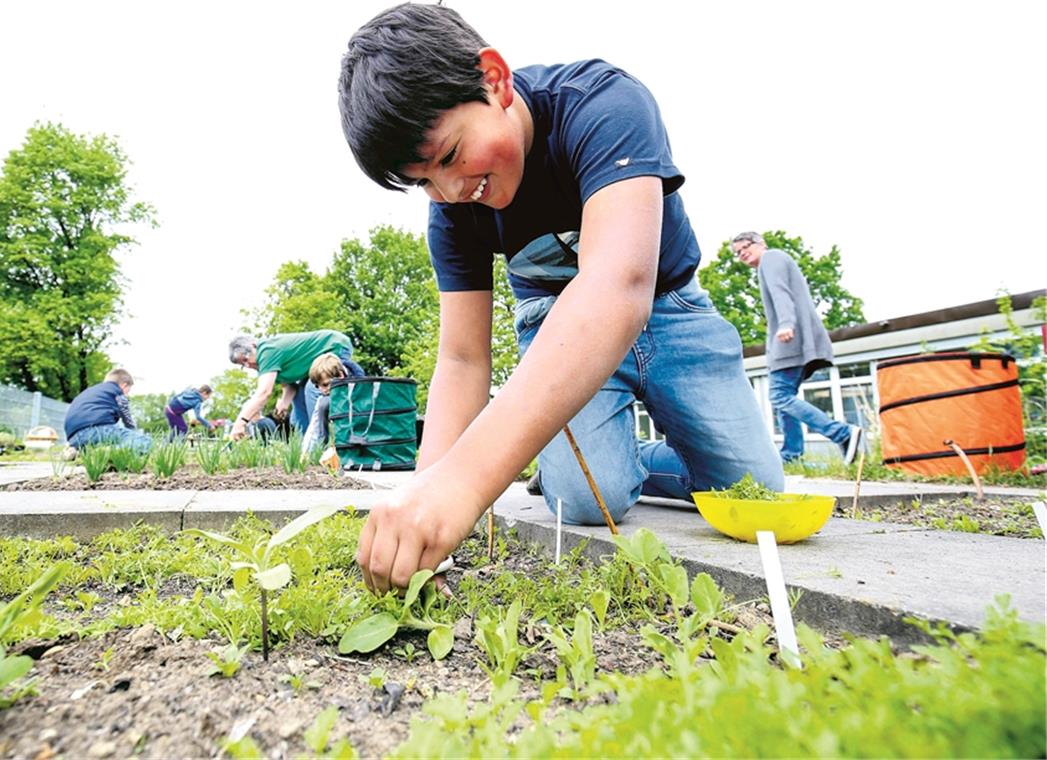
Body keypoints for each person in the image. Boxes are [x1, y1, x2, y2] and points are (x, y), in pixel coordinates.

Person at [338, 3, 783, 593]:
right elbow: (463, 359)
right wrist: (428, 490)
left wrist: (466, 484)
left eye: (448, 156)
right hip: (555, 329)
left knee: (754, 491)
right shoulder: (452, 215)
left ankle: (631, 454)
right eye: (423, 181)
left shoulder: (602, 104)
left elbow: (617, 289)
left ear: (493, 80)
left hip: (671, 308)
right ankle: (610, 462)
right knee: (584, 500)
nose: (449, 190)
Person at [731, 232, 863, 464]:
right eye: (737, 252)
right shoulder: (772, 262)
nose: (742, 253)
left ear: (761, 244)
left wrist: (786, 324)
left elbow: (782, 293)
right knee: (784, 398)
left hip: (791, 340)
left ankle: (842, 433)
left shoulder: (771, 258)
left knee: (780, 396)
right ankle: (792, 454)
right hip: (791, 341)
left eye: (745, 247)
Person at [227, 330, 364, 441]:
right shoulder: (264, 364)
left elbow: (263, 393)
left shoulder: (266, 351)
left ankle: (320, 443)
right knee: (298, 402)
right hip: (312, 365)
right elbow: (290, 386)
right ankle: (306, 448)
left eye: (246, 359)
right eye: (242, 365)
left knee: (312, 389)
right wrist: (284, 403)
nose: (248, 365)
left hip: (334, 346)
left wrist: (240, 423)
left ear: (253, 346)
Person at [63, 368, 152, 454]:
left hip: (73, 438)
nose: (127, 395)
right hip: (96, 430)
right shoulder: (117, 392)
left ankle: (76, 451)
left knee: (100, 441)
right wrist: (132, 431)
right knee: (145, 441)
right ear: (124, 385)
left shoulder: (90, 392)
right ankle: (107, 452)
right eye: (128, 391)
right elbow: (127, 418)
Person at [302, 353, 358, 450]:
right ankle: (323, 448)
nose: (322, 390)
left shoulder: (359, 385)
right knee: (324, 404)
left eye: (325, 385)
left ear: (340, 376)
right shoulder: (324, 398)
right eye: (317, 386)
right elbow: (314, 428)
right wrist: (306, 453)